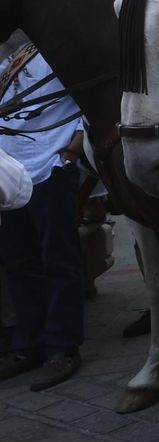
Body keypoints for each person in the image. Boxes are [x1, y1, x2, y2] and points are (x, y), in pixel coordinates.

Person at [0, 45, 87, 391]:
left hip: (52, 163)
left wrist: (70, 154)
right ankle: (29, 345)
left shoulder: (59, 45)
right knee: (19, 262)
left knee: (59, 260)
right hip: (11, 171)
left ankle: (63, 348)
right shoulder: (9, 55)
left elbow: (87, 106)